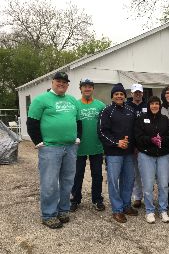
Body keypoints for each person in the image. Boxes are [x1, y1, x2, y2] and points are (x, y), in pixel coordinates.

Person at [27, 71, 81, 229]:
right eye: (59, 81)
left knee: (67, 181)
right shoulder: (41, 100)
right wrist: (38, 142)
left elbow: (78, 122)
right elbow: (32, 122)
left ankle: (63, 210)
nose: (61, 84)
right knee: (50, 183)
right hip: (50, 148)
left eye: (65, 82)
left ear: (67, 85)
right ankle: (49, 214)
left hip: (70, 147)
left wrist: (78, 138)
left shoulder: (72, 100)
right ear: (52, 82)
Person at [98, 83, 138, 223]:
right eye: (116, 94)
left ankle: (126, 205)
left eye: (121, 94)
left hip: (128, 153)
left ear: (125, 96)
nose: (119, 96)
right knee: (114, 181)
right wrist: (117, 142)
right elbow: (102, 132)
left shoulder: (130, 110)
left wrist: (136, 146)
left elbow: (135, 130)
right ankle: (117, 209)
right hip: (113, 153)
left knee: (128, 180)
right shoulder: (107, 111)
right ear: (112, 96)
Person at [134, 96, 169, 223]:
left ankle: (163, 210)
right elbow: (138, 137)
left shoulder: (165, 119)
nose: (155, 106)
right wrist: (150, 139)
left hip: (163, 155)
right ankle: (149, 210)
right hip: (146, 155)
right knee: (148, 185)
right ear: (149, 105)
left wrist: (162, 140)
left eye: (157, 104)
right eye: (152, 104)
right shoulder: (141, 119)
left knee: (163, 184)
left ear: (160, 105)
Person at [70, 79, 106, 212]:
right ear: (80, 88)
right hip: (79, 147)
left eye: (90, 86)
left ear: (93, 89)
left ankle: (97, 199)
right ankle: (75, 199)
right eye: (85, 86)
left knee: (97, 175)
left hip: (96, 146)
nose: (87, 89)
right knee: (77, 175)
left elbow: (105, 126)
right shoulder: (75, 105)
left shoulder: (100, 105)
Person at [126, 83, 147, 209]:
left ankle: (148, 196)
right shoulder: (126, 106)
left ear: (142, 93)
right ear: (131, 93)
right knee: (134, 173)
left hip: (145, 144)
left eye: (139, 92)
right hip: (132, 145)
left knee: (147, 173)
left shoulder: (147, 106)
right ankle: (137, 197)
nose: (137, 94)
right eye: (135, 92)